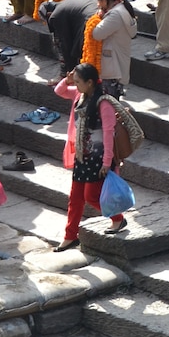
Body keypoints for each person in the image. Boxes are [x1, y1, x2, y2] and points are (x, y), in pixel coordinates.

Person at [53, 63, 126, 250]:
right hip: (82, 156)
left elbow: (109, 133)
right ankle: (70, 235)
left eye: (78, 82)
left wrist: (107, 162)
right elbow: (59, 90)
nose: (75, 85)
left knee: (91, 196)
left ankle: (118, 218)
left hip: (99, 158)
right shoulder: (79, 95)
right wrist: (67, 79)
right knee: (75, 197)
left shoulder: (104, 103)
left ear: (90, 82)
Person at [91, 0, 137, 95]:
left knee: (109, 105)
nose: (98, 4)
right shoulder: (121, 8)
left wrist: (98, 17)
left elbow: (96, 34)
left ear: (106, 0)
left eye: (99, 0)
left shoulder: (115, 15)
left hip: (113, 68)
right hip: (117, 65)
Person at [43, 0, 98, 72]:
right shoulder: (67, 2)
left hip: (91, 23)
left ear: (49, 14)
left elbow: (65, 44)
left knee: (81, 53)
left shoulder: (55, 16)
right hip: (101, 14)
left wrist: (70, 71)